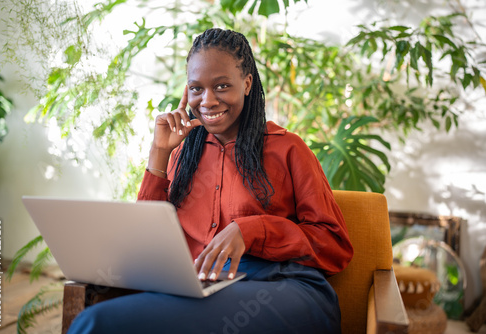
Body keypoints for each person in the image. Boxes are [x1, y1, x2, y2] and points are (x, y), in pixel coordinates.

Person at [68, 28, 353, 334]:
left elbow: (334, 246)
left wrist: (252, 230)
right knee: (98, 321)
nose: (208, 101)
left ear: (246, 84)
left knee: (100, 323)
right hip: (202, 290)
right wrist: (159, 153)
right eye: (196, 88)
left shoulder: (288, 148)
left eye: (221, 86)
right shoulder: (182, 154)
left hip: (283, 286)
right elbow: (147, 246)